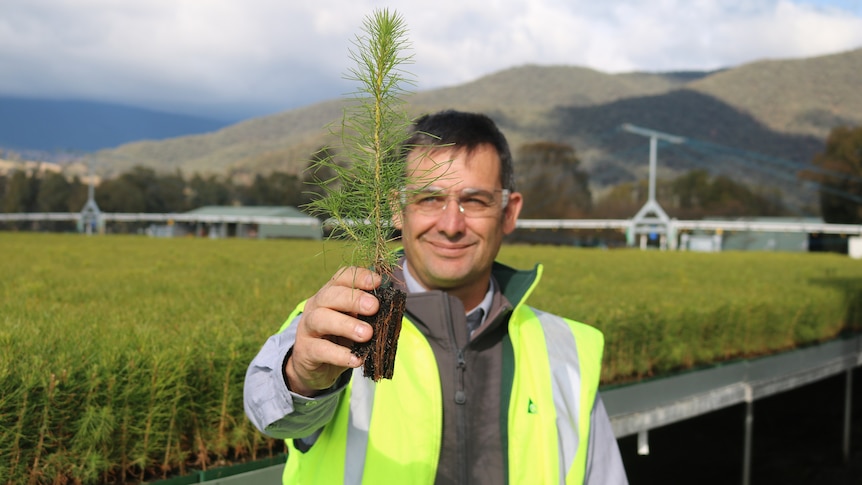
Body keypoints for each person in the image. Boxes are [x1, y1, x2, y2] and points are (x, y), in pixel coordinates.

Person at [244, 110, 629, 484]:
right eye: (429, 199)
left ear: (508, 212)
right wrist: (304, 376)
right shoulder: (343, 320)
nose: (450, 225)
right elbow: (272, 413)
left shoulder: (566, 351)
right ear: (397, 208)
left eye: (474, 201)